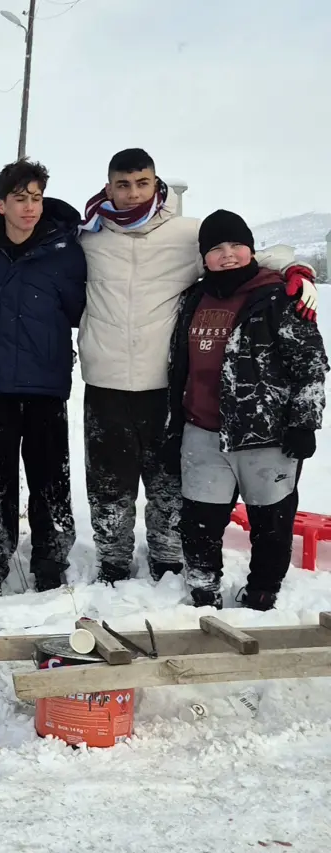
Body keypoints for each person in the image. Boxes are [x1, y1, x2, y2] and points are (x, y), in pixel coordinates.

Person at [78, 149, 319, 586]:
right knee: (108, 487)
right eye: (123, 185)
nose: (133, 194)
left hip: (164, 385)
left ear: (156, 184)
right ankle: (112, 563)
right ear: (108, 187)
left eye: (142, 183)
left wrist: (295, 269)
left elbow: (243, 253)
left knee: (169, 485)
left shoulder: (186, 234)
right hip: (105, 381)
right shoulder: (89, 236)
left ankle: (168, 561)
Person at [165, 210, 327, 610]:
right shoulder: (193, 298)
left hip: (266, 435)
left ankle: (263, 590)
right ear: (204, 257)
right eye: (216, 248)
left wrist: (304, 423)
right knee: (199, 521)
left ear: (251, 249)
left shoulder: (279, 296)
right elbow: (179, 366)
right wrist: (174, 427)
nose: (228, 255)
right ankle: (203, 588)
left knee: (271, 522)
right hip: (202, 429)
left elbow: (310, 365)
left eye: (236, 245)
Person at [0, 160, 87, 594]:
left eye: (36, 198)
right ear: (2, 204)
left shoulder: (65, 251)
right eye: (20, 199)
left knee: (50, 476)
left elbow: (81, 307)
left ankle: (51, 559)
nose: (30, 207)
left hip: (45, 383)